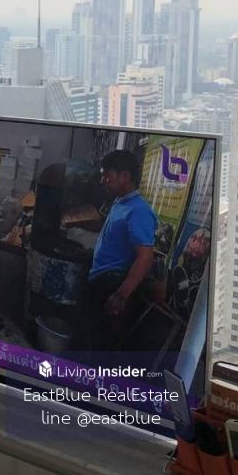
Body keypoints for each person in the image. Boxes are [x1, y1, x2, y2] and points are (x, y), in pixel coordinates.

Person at [85, 149, 158, 350]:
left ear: (124, 176)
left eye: (107, 175)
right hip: (101, 280)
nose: (103, 180)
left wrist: (121, 296)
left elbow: (145, 257)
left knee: (102, 347)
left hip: (113, 285)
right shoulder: (120, 203)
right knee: (90, 340)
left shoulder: (139, 210)